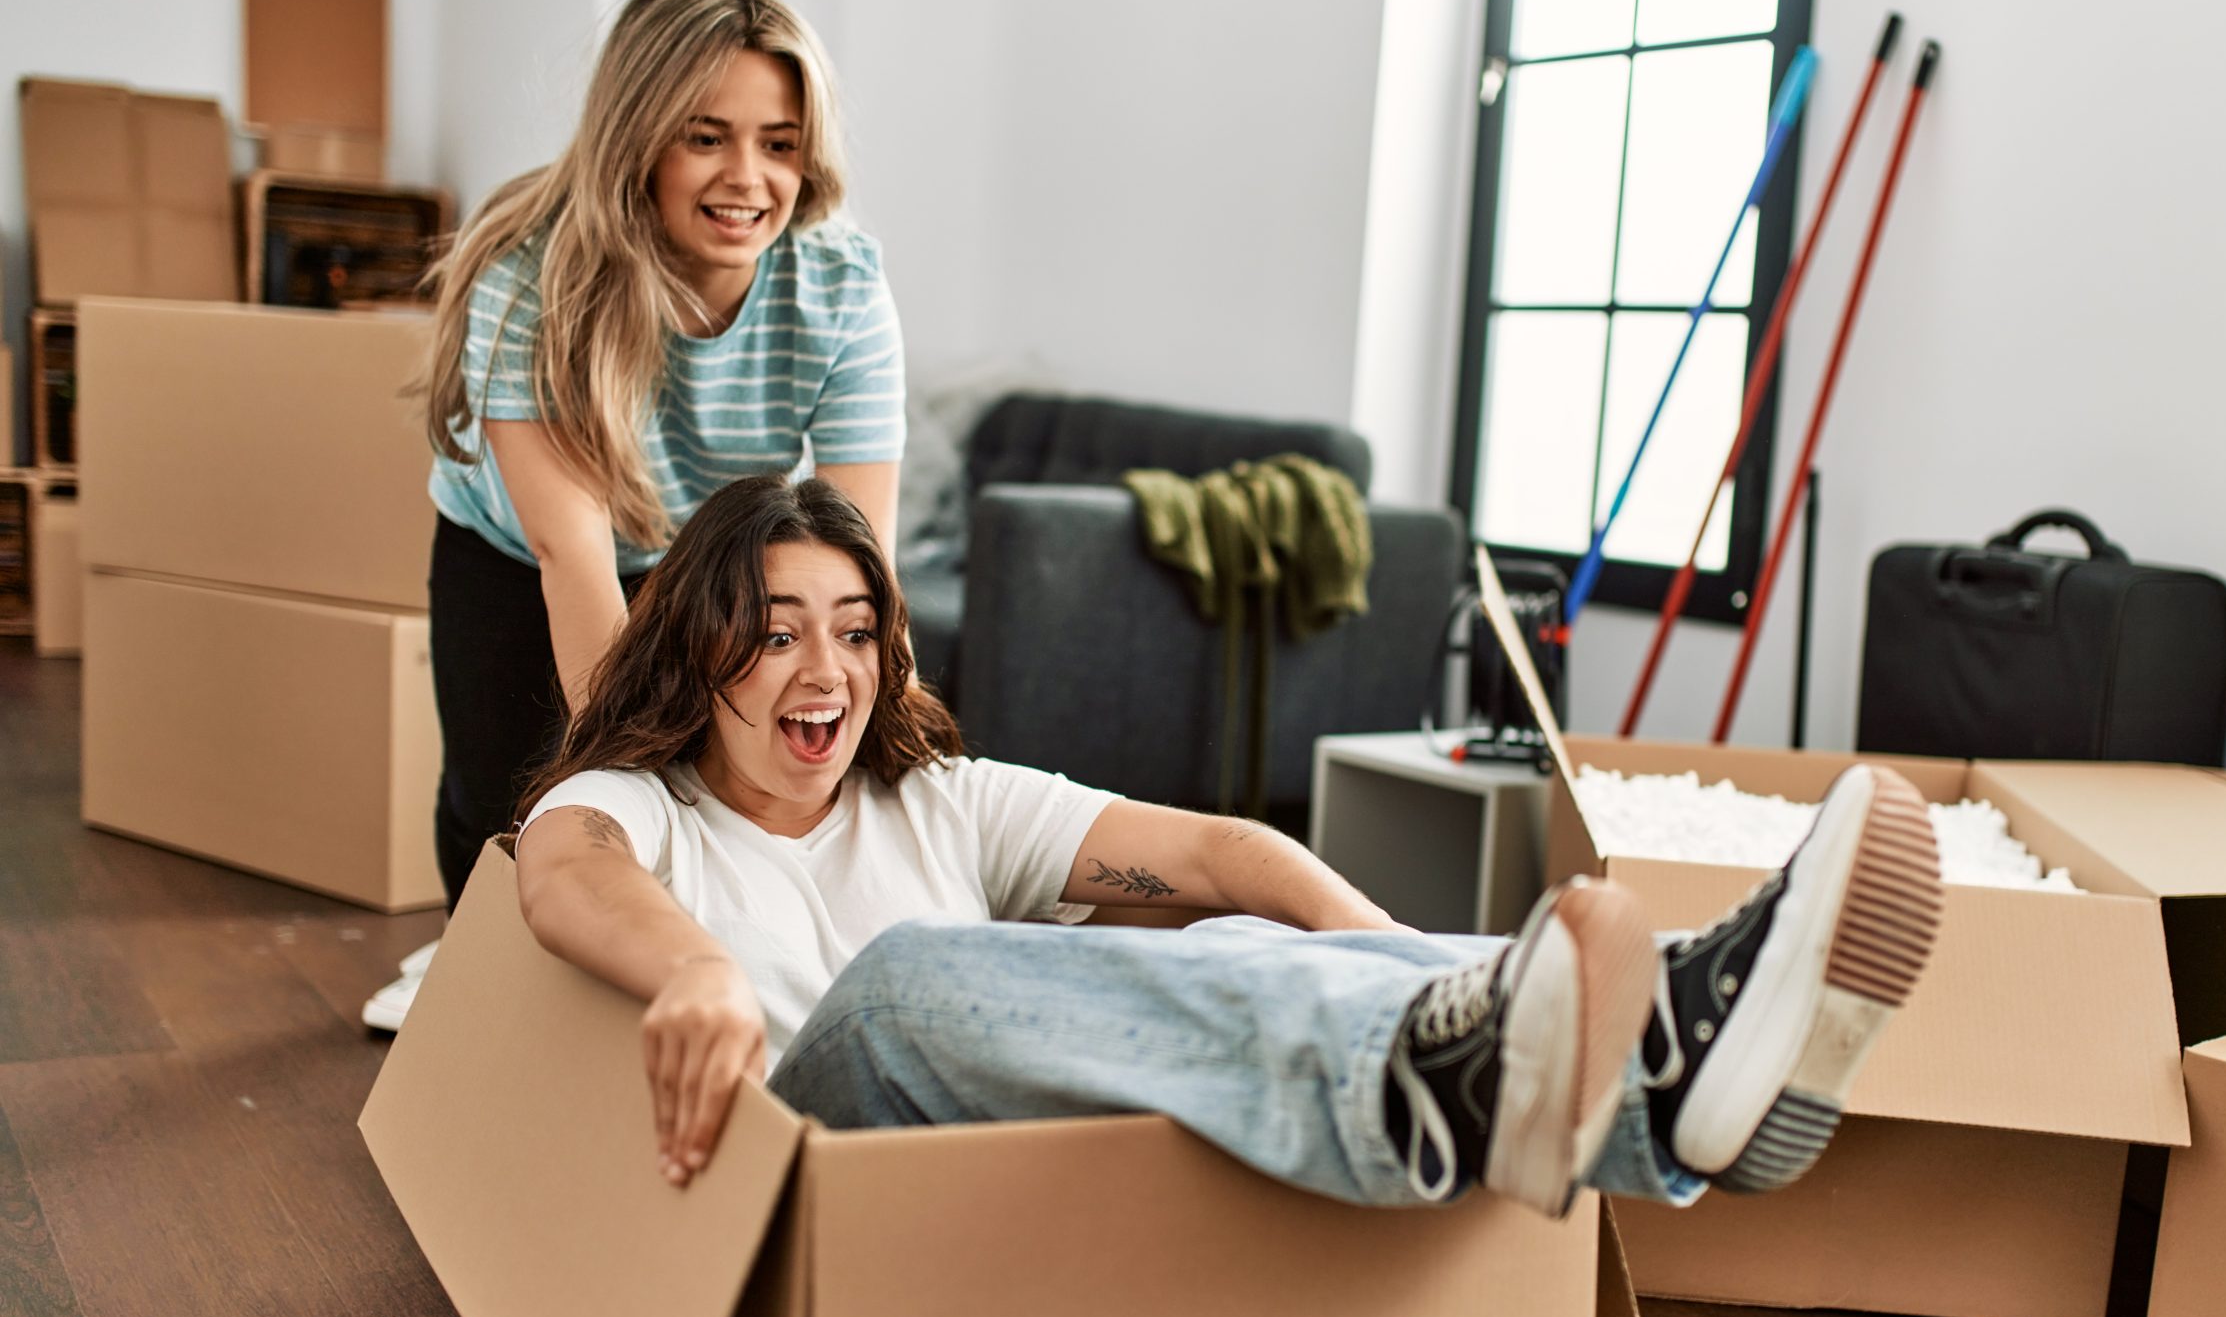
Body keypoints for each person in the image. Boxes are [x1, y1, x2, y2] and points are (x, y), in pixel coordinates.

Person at [506, 476, 1948, 1215]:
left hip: (1012, 1188)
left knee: (1237, 936)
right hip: (811, 1168)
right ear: (700, 653)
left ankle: (1656, 1060)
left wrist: (1403, 969)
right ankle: (1460, 1066)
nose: (824, 672)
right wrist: (694, 970)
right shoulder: (653, 808)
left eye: (856, 630)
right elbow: (559, 865)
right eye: (773, 634)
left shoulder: (931, 795)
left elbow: (1222, 855)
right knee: (907, 979)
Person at [365, 0, 904, 1031]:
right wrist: (640, 781)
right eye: (705, 137)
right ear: (637, 138)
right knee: (504, 791)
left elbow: (858, 571)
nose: (747, 176)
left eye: (779, 142)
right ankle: (465, 958)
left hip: (694, 551)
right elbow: (572, 556)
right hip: (517, 549)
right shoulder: (534, 276)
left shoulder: (840, 283)